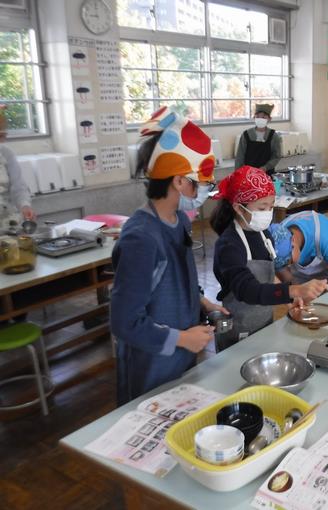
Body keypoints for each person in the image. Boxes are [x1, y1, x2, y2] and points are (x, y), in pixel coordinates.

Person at [110, 106, 226, 405]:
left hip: (180, 358)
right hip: (151, 365)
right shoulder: (141, 238)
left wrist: (202, 301)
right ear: (178, 181)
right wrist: (183, 339)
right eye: (199, 183)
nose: (202, 190)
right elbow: (124, 322)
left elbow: (177, 280)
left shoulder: (180, 222)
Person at [211, 165, 327, 351]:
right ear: (239, 208)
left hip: (264, 321)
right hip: (239, 328)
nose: (267, 213)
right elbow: (247, 290)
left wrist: (289, 297)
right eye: (262, 207)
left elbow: (268, 277)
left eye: (271, 206)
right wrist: (293, 291)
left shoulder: (263, 234)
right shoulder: (229, 245)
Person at [269, 211, 328, 284]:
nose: (287, 266)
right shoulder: (277, 236)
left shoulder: (324, 238)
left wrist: (327, 295)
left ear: (293, 241)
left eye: (289, 262)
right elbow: (287, 278)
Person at [0, 105, 35, 229]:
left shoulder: (6, 153)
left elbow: (18, 186)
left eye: (1, 137)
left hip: (8, 219)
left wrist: (24, 205)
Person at [234, 103, 282, 175]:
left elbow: (276, 156)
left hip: (267, 174)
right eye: (258, 117)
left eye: (263, 117)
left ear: (269, 119)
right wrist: (238, 174)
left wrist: (265, 167)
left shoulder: (273, 136)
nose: (260, 119)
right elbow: (239, 157)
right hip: (248, 174)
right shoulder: (246, 135)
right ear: (254, 118)